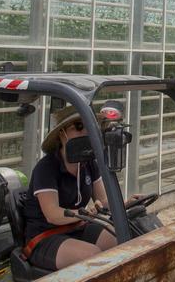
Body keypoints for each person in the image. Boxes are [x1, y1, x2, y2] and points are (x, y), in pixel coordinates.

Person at [21, 105, 118, 270]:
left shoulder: (89, 164)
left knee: (121, 239)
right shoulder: (46, 168)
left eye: (87, 127)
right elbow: (53, 214)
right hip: (46, 235)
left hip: (77, 227)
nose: (85, 132)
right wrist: (85, 213)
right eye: (79, 127)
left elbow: (103, 201)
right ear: (62, 134)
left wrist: (126, 204)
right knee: (93, 256)